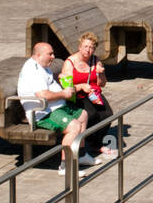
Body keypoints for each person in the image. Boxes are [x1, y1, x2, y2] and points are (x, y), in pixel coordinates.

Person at [17, 42, 95, 173]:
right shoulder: (33, 71)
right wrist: (64, 94)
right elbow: (43, 95)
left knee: (83, 115)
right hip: (42, 113)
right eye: (50, 54)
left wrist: (67, 86)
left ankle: (80, 155)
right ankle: (65, 165)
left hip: (55, 107)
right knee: (74, 126)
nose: (53, 57)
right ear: (38, 55)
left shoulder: (43, 65)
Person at [60, 32, 117, 160]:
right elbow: (67, 86)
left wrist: (100, 73)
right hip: (77, 95)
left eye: (91, 47)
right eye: (85, 46)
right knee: (91, 115)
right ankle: (86, 143)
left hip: (93, 93)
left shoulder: (95, 60)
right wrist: (81, 86)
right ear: (79, 47)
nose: (88, 50)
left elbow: (102, 84)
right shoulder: (70, 63)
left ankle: (96, 144)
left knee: (107, 114)